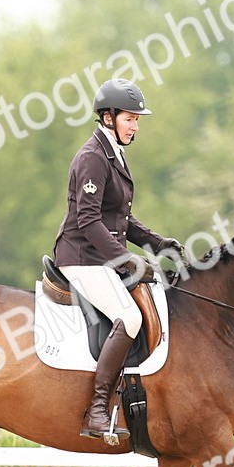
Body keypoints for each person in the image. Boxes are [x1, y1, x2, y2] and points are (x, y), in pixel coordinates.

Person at [51, 78, 183, 443]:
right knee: (129, 316)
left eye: (137, 120)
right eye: (130, 119)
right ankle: (96, 409)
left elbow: (118, 218)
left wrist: (156, 242)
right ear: (108, 117)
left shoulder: (113, 153)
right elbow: (89, 221)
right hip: (81, 257)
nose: (136, 126)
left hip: (100, 256)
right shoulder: (93, 157)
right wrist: (127, 260)